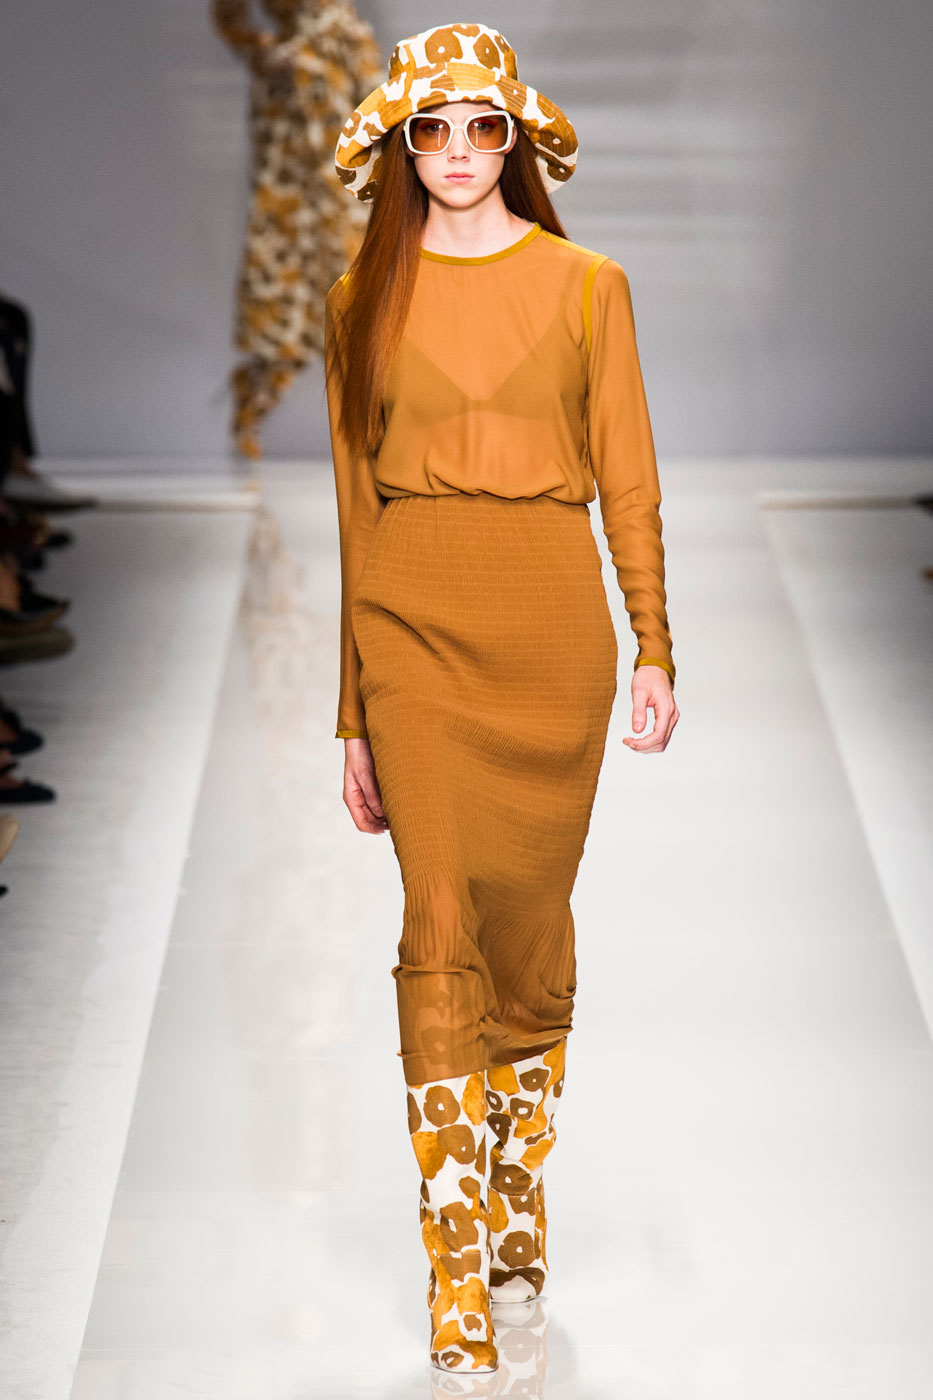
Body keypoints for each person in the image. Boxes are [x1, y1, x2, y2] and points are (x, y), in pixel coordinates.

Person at [324, 22, 679, 1375]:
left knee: (526, 934)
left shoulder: (588, 286)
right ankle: (455, 1271)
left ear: (515, 140)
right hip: (410, 622)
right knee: (435, 920)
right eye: (434, 128)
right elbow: (353, 513)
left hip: (548, 632)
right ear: (402, 146)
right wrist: (351, 717)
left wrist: (653, 643)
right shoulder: (362, 298)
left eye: (484, 127)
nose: (461, 151)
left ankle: (518, 1202)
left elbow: (629, 475)